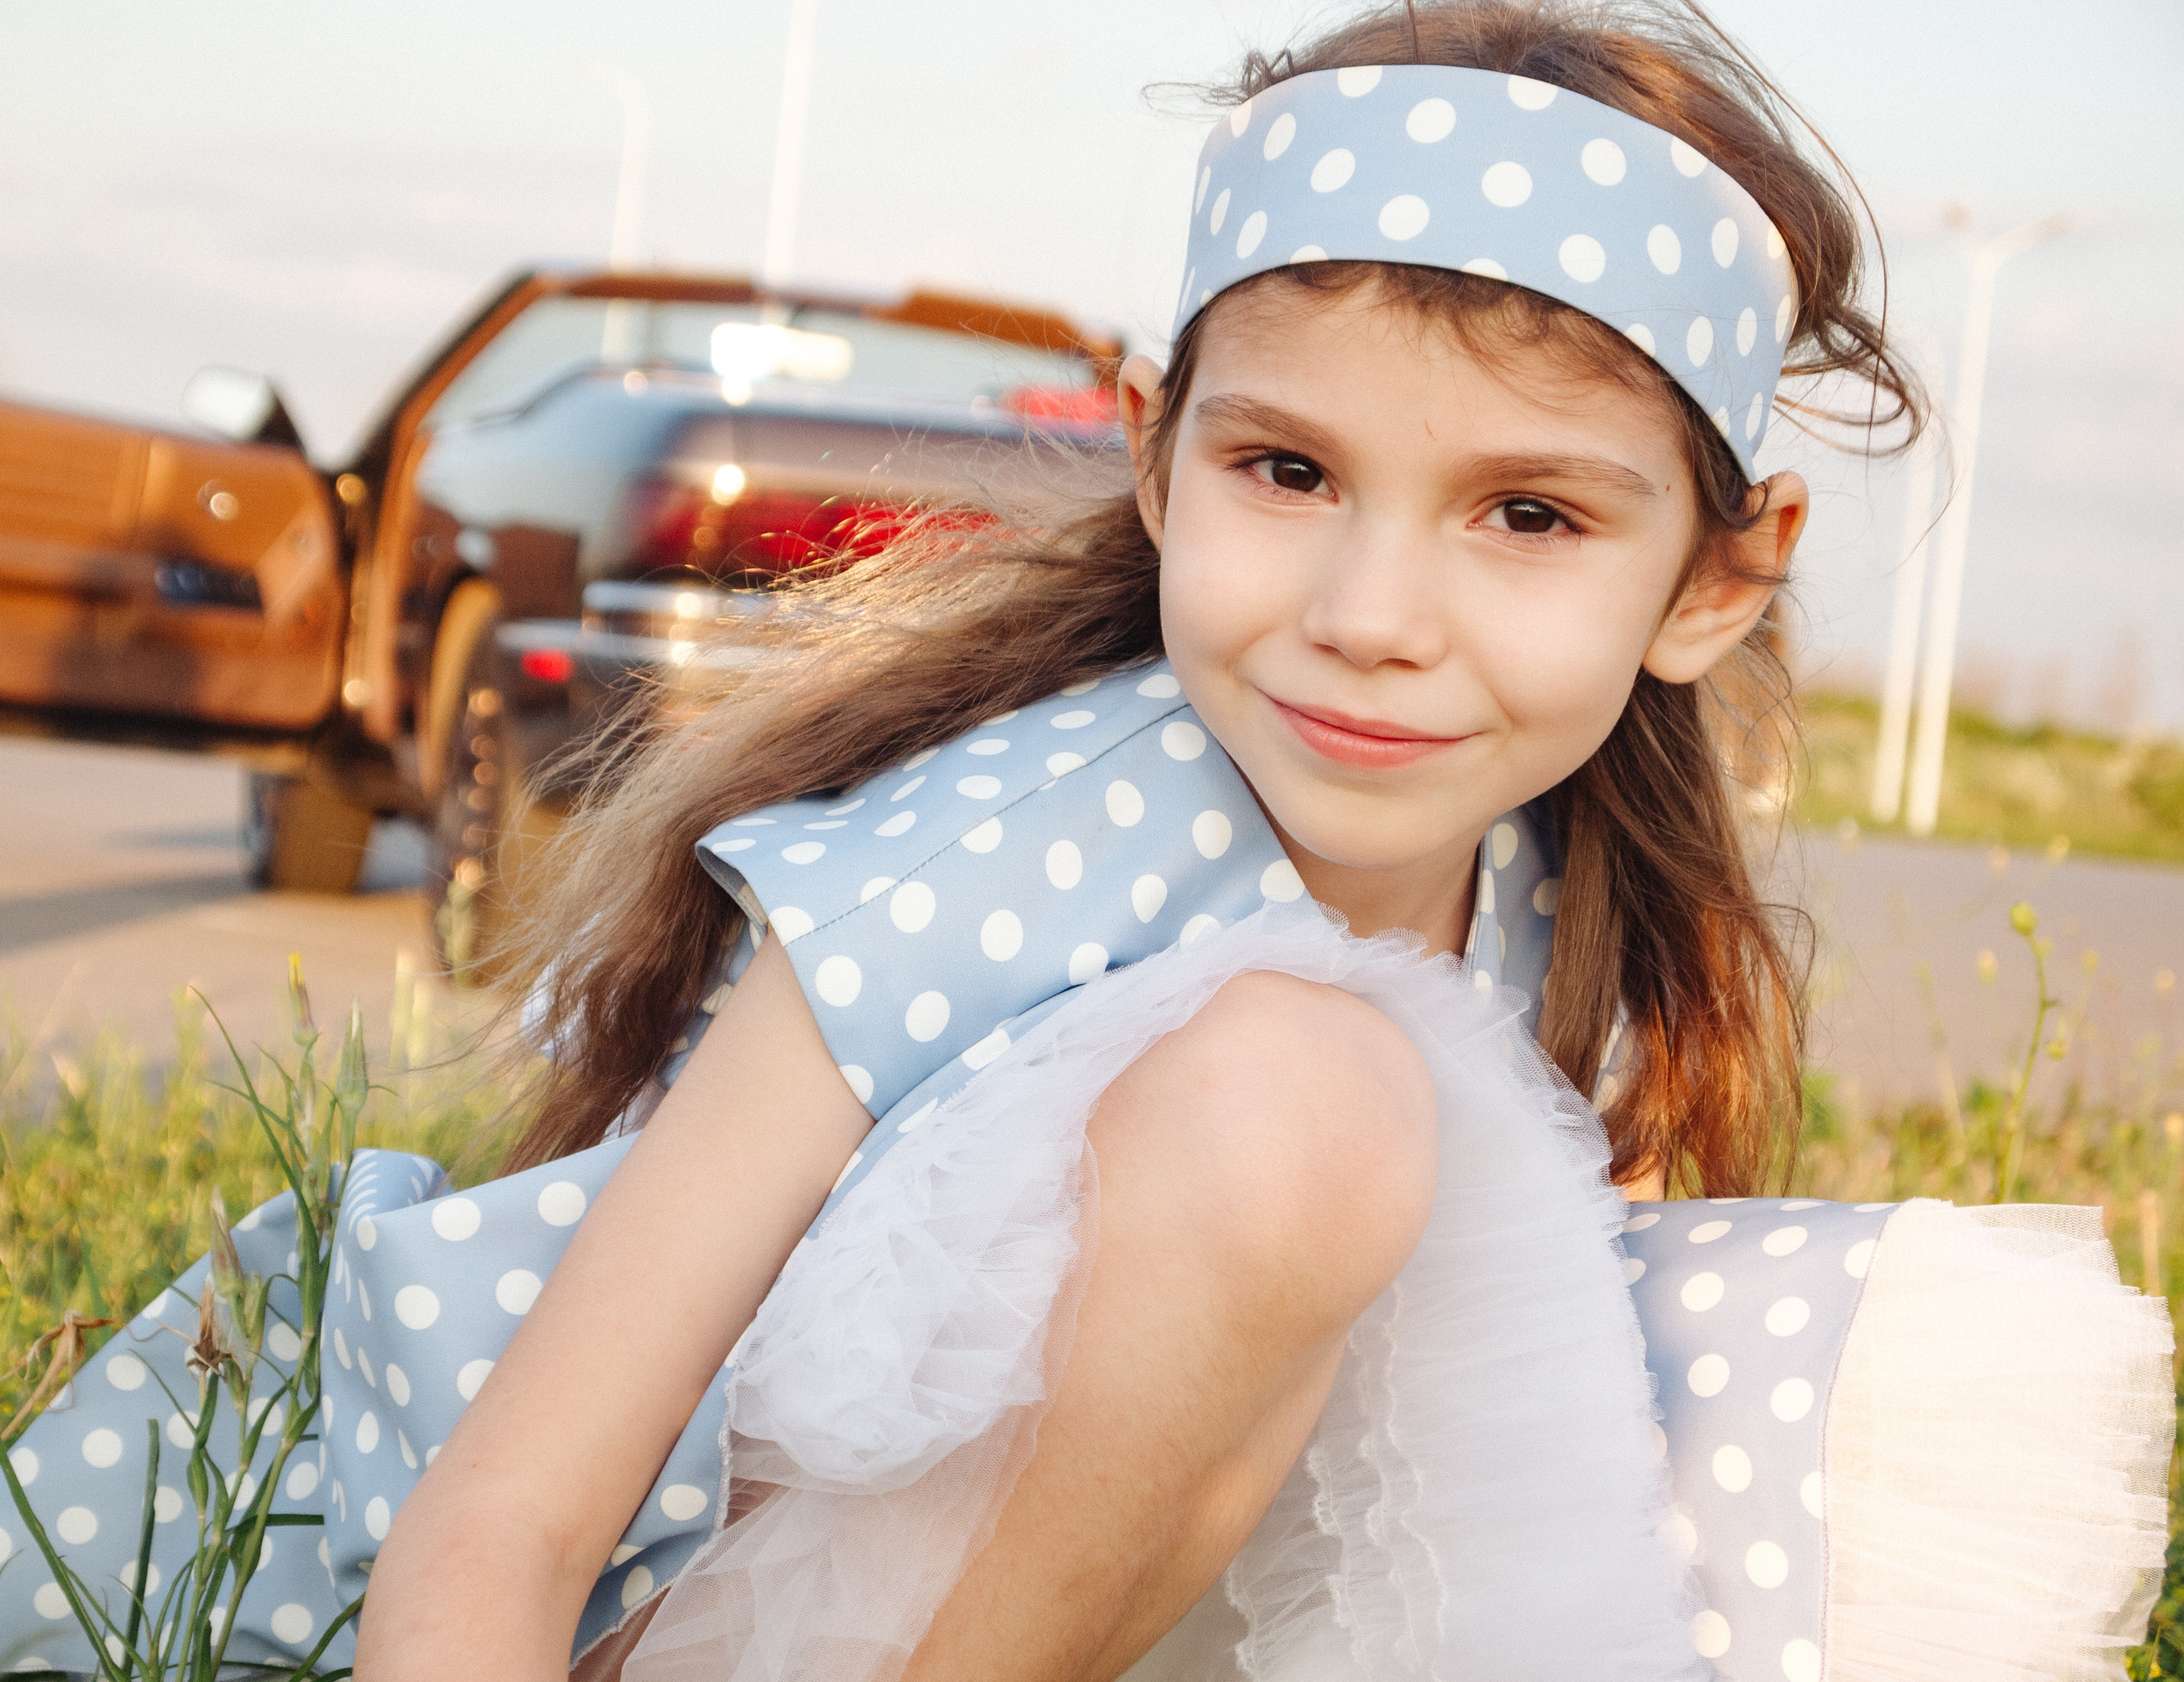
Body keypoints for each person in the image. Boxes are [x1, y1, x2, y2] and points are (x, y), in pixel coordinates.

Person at [351, 1, 1912, 1676]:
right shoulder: (1002, 857)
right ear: (1159, 455)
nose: (1371, 617)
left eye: (1529, 515)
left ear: (1716, 579)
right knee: (1305, 1108)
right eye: (1289, 470)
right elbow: (506, 1521)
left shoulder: (1561, 889)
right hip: (681, 1625)